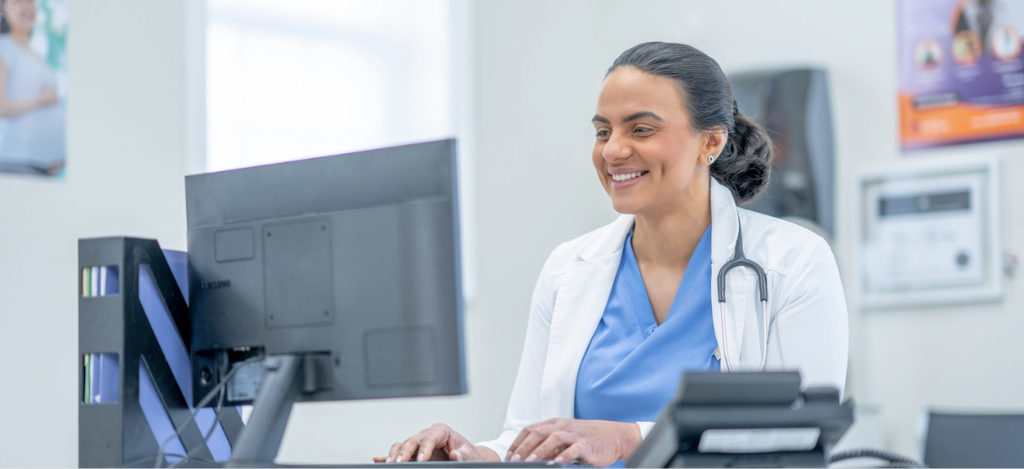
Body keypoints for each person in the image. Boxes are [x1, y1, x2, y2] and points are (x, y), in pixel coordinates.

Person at [375, 42, 848, 467]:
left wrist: (625, 439)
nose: (613, 151)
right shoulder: (568, 269)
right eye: (603, 132)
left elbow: (798, 431)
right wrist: (471, 455)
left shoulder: (793, 261)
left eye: (640, 129)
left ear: (711, 141)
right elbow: (526, 438)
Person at [0, 0, 65, 176]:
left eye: (29, 2)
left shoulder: (36, 53)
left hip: (45, 165)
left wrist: (59, 154)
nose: (26, 7)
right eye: (17, 2)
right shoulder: (3, 47)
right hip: (18, 161)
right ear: (3, 8)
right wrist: (40, 99)